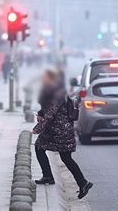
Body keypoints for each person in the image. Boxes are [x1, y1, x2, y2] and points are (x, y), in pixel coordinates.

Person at [33, 70, 93, 200]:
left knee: (42, 148)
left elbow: (50, 114)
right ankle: (82, 182)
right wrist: (41, 114)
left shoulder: (57, 94)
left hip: (60, 131)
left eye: (45, 78)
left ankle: (80, 182)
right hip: (60, 130)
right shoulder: (55, 92)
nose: (43, 80)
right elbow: (48, 110)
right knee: (59, 155)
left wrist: (37, 128)